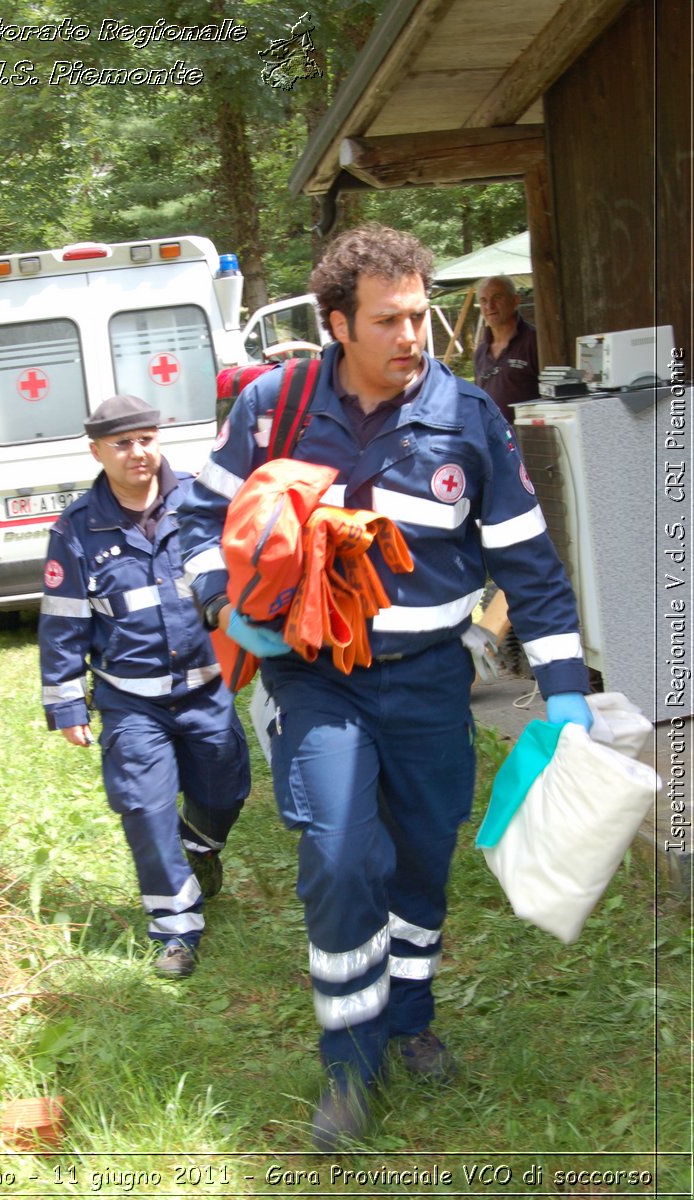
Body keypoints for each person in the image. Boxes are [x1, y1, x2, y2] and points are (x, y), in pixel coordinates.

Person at [178, 225, 592, 1148]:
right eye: (390, 320)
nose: (414, 336)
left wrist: (563, 684)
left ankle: (409, 1017)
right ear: (337, 324)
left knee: (419, 861)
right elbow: (196, 517)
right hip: (315, 681)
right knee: (337, 854)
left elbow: (528, 565)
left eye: (420, 316)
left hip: (432, 688)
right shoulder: (274, 408)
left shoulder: (470, 417)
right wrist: (223, 599)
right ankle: (349, 1064)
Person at [38, 395, 250, 979]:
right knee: (145, 809)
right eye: (123, 443)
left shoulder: (201, 504)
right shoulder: (77, 530)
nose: (138, 453)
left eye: (147, 439)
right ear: (97, 451)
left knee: (226, 788)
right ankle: (176, 928)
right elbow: (63, 622)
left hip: (207, 688)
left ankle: (201, 847)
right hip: (131, 702)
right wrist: (65, 701)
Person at [473, 274, 539, 420]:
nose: (490, 306)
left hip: (529, 438)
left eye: (497, 297)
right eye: (483, 300)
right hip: (493, 440)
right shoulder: (481, 353)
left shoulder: (535, 342)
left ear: (515, 300)